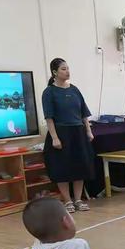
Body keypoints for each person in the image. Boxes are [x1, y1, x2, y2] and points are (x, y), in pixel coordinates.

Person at [42, 58, 95, 214]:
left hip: (78, 132)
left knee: (80, 166)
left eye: (68, 68)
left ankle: (78, 199)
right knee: (62, 168)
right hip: (61, 132)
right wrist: (55, 137)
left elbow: (84, 113)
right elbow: (49, 117)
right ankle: (67, 201)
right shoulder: (49, 92)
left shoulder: (74, 90)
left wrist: (88, 130)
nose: (67, 71)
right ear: (55, 72)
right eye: (63, 69)